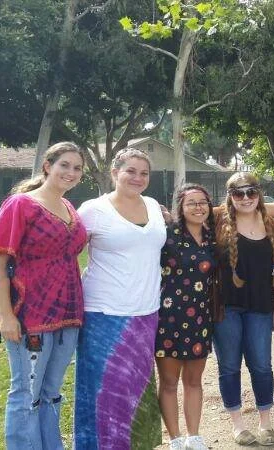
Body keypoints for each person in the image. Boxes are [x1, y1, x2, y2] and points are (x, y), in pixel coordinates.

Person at [0, 142, 87, 449]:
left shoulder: (69, 207)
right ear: (47, 166)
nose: (71, 172)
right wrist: (6, 316)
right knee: (25, 394)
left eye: (77, 168)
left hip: (69, 315)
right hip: (30, 316)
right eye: (64, 165)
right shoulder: (21, 205)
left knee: (51, 393)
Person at [75, 148, 166, 449]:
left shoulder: (153, 206)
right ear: (115, 172)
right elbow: (65, 252)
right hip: (104, 314)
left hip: (146, 313)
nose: (138, 178)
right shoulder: (93, 210)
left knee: (137, 388)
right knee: (104, 390)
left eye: (144, 173)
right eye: (131, 171)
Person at [212, 172, 274, 446]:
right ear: (229, 196)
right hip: (227, 307)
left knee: (262, 365)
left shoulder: (270, 223)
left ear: (259, 193)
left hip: (261, 306)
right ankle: (238, 425)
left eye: (250, 192)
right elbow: (188, 211)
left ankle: (266, 423)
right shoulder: (217, 221)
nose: (245, 198)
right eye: (238, 193)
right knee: (229, 365)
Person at [155, 183, 217, 450]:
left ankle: (194, 435)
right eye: (191, 203)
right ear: (180, 207)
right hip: (168, 317)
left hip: (200, 319)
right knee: (169, 382)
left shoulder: (213, 237)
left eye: (202, 202)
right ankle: (176, 438)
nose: (198, 207)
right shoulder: (166, 235)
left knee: (193, 381)